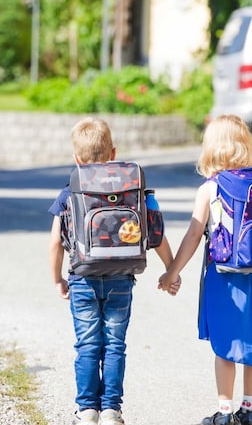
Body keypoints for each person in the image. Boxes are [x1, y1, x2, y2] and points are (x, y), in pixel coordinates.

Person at [158, 114, 252, 425]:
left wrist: (173, 271)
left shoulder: (209, 189)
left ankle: (224, 413)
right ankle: (249, 411)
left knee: (226, 345)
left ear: (210, 149)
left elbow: (195, 234)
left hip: (223, 277)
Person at [48, 117, 177, 425]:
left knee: (88, 344)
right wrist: (171, 269)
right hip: (122, 275)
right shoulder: (132, 188)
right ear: (114, 153)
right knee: (115, 344)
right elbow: (155, 232)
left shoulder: (71, 190)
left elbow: (55, 241)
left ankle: (87, 409)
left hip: (83, 278)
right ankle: (111, 410)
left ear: (77, 159)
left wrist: (57, 279)